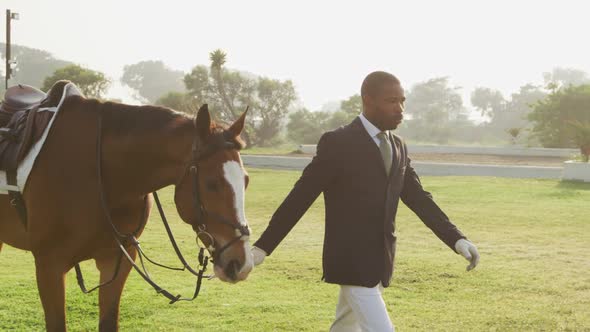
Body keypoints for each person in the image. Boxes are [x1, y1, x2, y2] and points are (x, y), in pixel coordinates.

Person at [251, 71, 480, 331]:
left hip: (380, 261)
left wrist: (457, 239)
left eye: (403, 101)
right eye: (392, 101)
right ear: (368, 100)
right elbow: (300, 197)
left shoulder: (398, 146)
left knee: (345, 327)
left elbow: (419, 199)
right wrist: (262, 248)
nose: (400, 109)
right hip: (350, 261)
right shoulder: (338, 142)